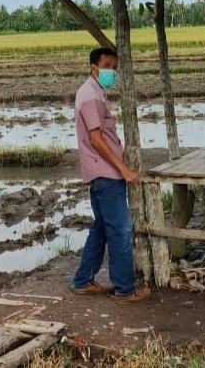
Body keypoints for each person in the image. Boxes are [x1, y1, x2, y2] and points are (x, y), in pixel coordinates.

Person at [70, 47, 151, 303]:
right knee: (120, 230)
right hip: (107, 174)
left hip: (98, 173)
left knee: (102, 228)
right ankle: (125, 289)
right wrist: (123, 168)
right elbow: (96, 139)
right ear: (94, 68)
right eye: (107, 66)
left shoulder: (92, 92)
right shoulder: (91, 96)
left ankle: (83, 281)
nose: (111, 72)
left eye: (114, 67)